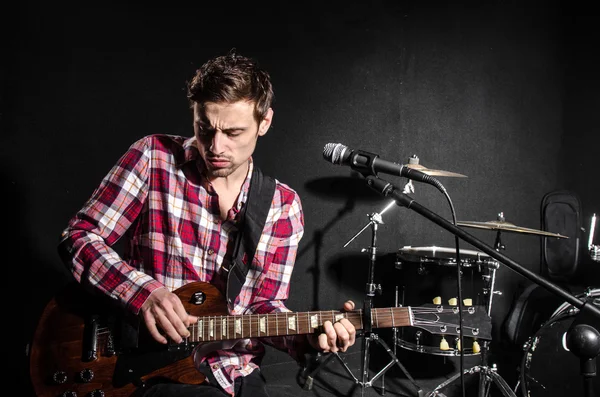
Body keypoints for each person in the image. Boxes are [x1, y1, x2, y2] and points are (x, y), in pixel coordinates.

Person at [58, 49, 356, 397]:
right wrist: (144, 294)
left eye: (233, 132)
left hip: (235, 369)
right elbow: (79, 238)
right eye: (205, 128)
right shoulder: (153, 158)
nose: (215, 146)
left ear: (265, 122)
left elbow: (263, 308)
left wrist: (307, 336)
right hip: (149, 366)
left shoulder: (282, 206)